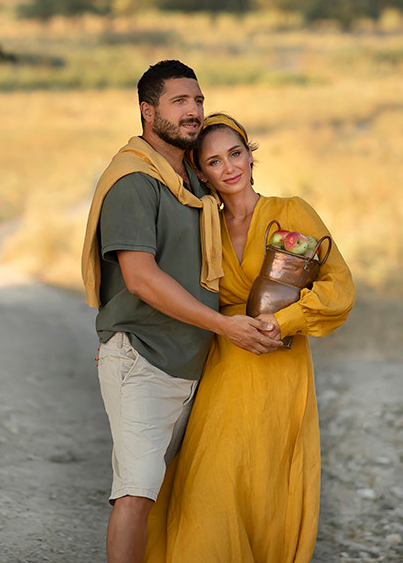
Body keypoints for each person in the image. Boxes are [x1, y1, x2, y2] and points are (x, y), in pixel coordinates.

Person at [81, 62, 283, 563]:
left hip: (195, 362)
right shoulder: (133, 180)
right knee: (136, 491)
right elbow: (141, 278)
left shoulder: (193, 176)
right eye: (179, 102)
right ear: (148, 112)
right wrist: (222, 325)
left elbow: (237, 192)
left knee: (174, 495)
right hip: (142, 358)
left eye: (197, 100)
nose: (193, 111)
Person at [143, 112, 356, 563]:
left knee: (264, 486)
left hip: (279, 366)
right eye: (215, 162)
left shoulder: (290, 212)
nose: (230, 168)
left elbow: (339, 287)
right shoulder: (204, 227)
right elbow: (167, 289)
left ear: (250, 155)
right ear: (200, 172)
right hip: (223, 362)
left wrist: (289, 321)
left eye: (236, 153)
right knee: (210, 481)